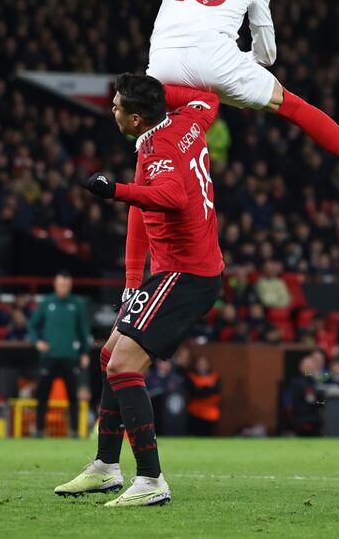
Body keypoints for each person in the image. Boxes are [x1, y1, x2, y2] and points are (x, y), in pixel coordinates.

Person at [18, 0, 339, 203]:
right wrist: (249, 64)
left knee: (155, 140)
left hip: (164, 66)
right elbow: (267, 48)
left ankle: (144, 232)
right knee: (295, 108)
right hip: (220, 62)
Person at [53, 74, 223, 507]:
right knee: (111, 354)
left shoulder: (158, 148)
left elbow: (170, 196)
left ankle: (151, 480)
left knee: (124, 364)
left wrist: (115, 191)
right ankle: (107, 468)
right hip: (177, 270)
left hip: (186, 273)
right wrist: (132, 282)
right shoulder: (187, 123)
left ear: (134, 118)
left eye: (115, 106)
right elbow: (207, 98)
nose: (110, 109)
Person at [28, 271, 90, 437]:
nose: (64, 288)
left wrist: (85, 352)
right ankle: (40, 430)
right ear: (55, 284)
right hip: (49, 356)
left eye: (67, 285)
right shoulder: (47, 302)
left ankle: (75, 430)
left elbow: (83, 330)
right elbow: (32, 325)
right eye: (61, 285)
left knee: (73, 396)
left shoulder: (77, 303)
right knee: (42, 394)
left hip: (70, 356)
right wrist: (37, 341)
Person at [185, 355, 221, 436]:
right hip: (195, 413)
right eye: (200, 364)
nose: (202, 366)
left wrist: (202, 390)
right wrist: (207, 389)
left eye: (204, 363)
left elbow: (216, 391)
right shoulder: (191, 376)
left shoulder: (215, 377)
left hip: (211, 413)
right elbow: (195, 392)